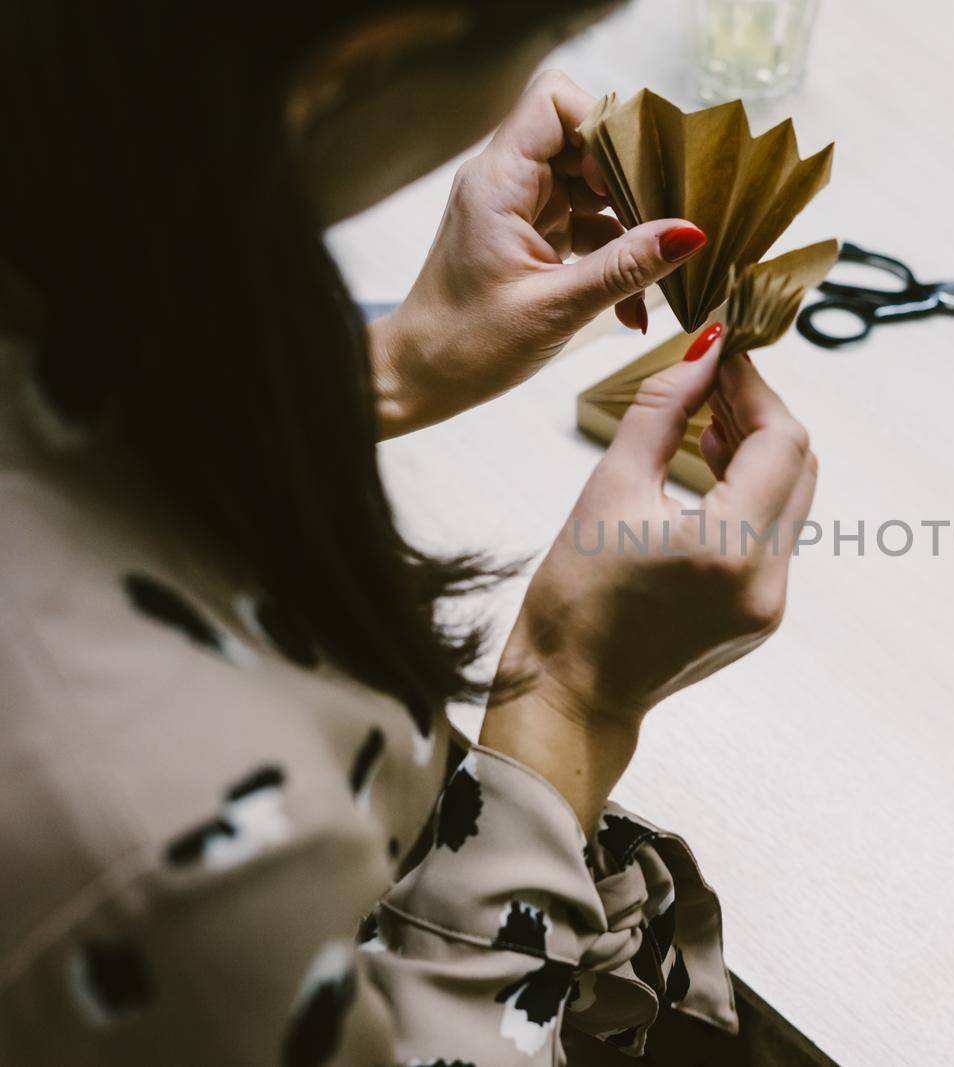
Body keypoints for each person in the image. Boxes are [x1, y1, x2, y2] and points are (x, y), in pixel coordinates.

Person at [0, 2, 818, 1063]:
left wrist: (392, 371)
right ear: (358, 62)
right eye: (549, 39)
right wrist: (572, 696)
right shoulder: (149, 842)